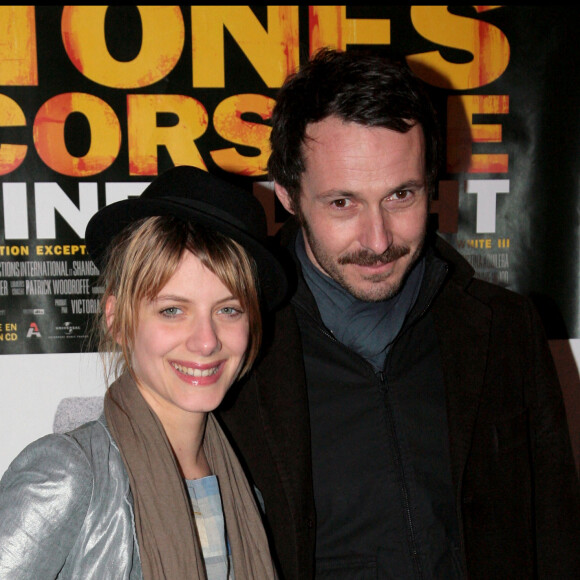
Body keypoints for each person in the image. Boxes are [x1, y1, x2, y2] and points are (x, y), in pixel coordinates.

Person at [216, 48, 580, 579]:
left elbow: (557, 537)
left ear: (431, 184)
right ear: (289, 195)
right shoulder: (237, 345)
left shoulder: (505, 327)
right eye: (343, 203)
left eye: (401, 195)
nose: (379, 239)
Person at [0, 166, 285, 579]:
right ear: (118, 320)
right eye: (173, 310)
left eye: (228, 309)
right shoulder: (70, 476)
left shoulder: (243, 493)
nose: (206, 341)